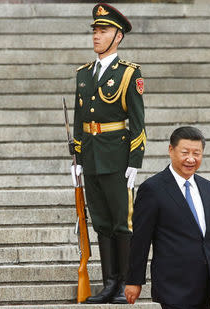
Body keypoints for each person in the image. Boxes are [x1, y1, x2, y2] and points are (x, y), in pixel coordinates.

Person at [71, 2, 146, 304]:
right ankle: (109, 283)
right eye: (95, 31)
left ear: (118, 36)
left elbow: (138, 121)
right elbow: (79, 120)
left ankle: (126, 284)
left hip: (116, 155)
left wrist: (135, 161)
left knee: (121, 221)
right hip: (90, 155)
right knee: (100, 219)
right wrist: (77, 158)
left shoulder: (129, 73)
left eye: (103, 31)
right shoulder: (83, 74)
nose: (96, 36)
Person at [125, 127, 210, 309]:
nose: (191, 159)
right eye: (185, 152)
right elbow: (140, 238)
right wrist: (134, 280)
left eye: (197, 153)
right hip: (173, 285)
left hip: (205, 284)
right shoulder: (153, 189)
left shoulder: (208, 188)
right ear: (171, 150)